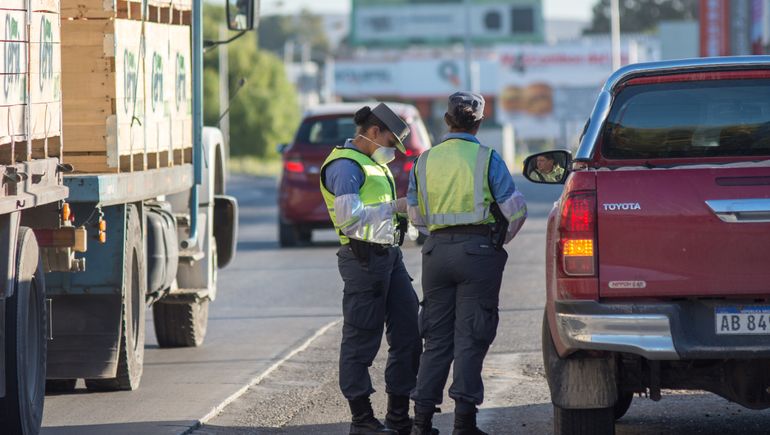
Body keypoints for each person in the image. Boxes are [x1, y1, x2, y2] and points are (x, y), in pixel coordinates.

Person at [407, 92, 527, 435]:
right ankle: (463, 425)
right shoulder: (486, 158)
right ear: (479, 123)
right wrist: (493, 242)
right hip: (478, 254)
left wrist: (437, 233)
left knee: (436, 341)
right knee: (471, 338)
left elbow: (416, 214)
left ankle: (421, 424)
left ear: (446, 121)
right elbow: (515, 211)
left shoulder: (424, 160)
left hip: (436, 254)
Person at [319, 103, 426, 435]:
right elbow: (350, 218)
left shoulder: (369, 164)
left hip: (389, 256)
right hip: (363, 259)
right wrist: (393, 206)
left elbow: (381, 213)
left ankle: (397, 415)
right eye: (391, 143)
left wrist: (404, 222)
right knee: (361, 339)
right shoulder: (345, 166)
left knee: (409, 334)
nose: (392, 151)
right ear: (374, 132)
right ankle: (362, 419)